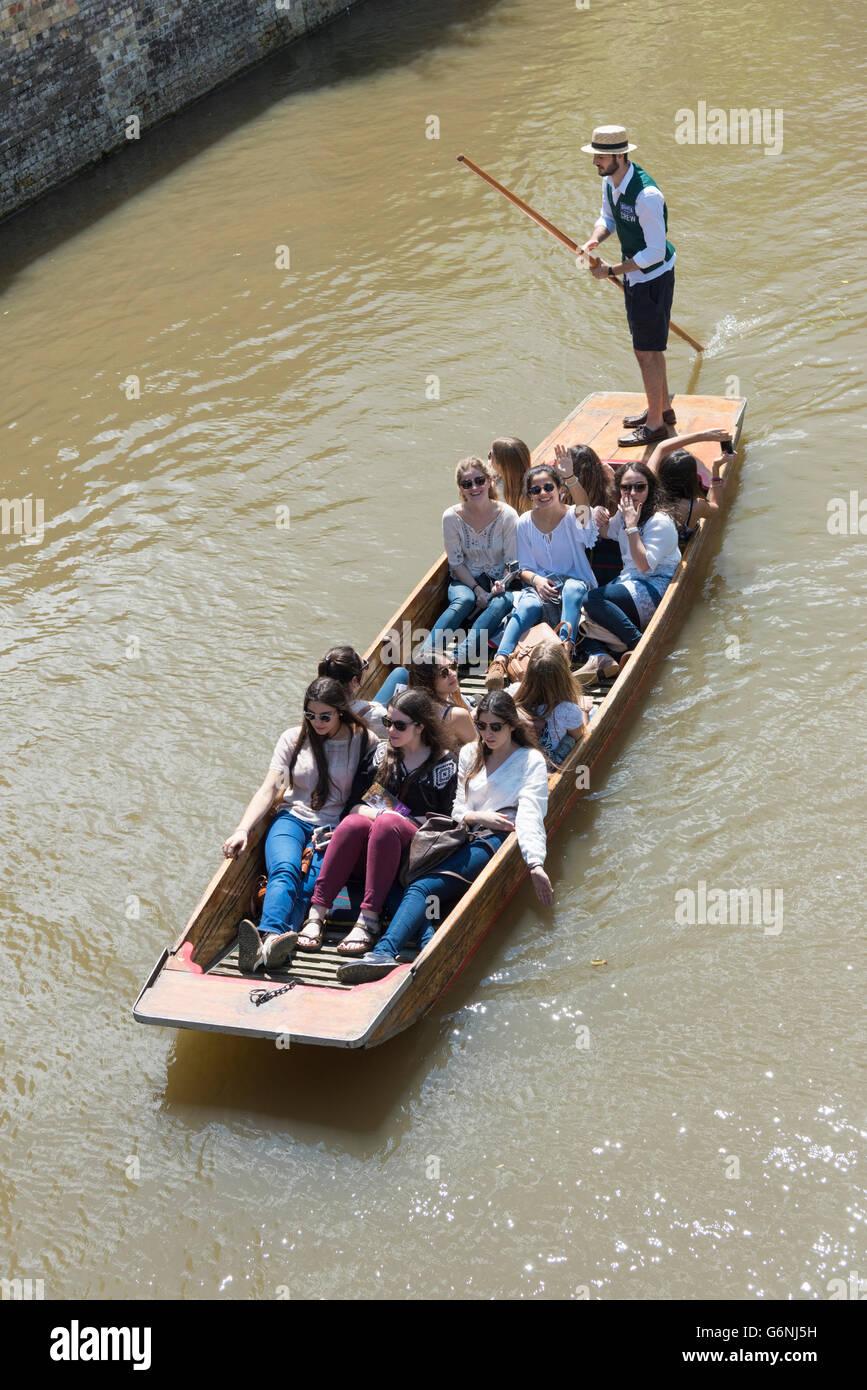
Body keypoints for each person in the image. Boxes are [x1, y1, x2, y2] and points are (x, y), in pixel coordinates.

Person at [337, 691, 552, 984]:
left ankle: (384, 951)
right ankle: (427, 939)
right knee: (402, 876)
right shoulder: (471, 753)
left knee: (422, 887)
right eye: (481, 726)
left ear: (512, 726)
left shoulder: (530, 761)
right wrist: (479, 816)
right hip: (461, 832)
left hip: (496, 838)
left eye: (496, 727)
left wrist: (535, 863)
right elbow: (458, 810)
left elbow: (530, 815)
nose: (487, 734)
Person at [221, 678, 375, 973]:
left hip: (333, 828)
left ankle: (271, 945)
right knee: (285, 870)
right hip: (292, 818)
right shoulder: (293, 739)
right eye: (310, 715)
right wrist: (243, 829)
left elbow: (379, 781)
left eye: (325, 716)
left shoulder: (362, 740)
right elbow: (269, 788)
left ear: (340, 712)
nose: (317, 722)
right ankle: (271, 935)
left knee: (310, 884)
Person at [297, 690, 458, 956]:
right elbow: (354, 806)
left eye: (400, 725)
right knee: (353, 824)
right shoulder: (380, 754)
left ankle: (369, 920)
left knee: (386, 824)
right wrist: (391, 815)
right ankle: (317, 913)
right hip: (374, 846)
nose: (390, 730)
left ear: (420, 726)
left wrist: (392, 818)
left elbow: (446, 822)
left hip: (415, 856)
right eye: (387, 722)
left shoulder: (445, 764)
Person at [577, 125, 677, 448]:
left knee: (646, 351)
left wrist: (612, 271)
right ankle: (662, 409)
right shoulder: (610, 181)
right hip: (636, 276)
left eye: (600, 157)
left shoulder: (647, 195)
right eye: (595, 156)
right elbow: (607, 219)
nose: (595, 162)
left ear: (620, 156)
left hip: (653, 278)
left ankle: (655, 425)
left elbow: (655, 252)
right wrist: (594, 240)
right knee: (649, 348)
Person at [485, 462, 598, 688]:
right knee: (528, 605)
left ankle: (564, 652)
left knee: (572, 588)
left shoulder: (573, 516)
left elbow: (585, 508)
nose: (543, 493)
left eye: (548, 487)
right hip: (540, 587)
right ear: (530, 495)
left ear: (560, 489)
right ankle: (500, 660)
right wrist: (537, 581)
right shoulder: (524, 522)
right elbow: (524, 568)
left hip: (575, 585)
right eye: (536, 490)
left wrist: (570, 476)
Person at [575, 461, 680, 679]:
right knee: (576, 608)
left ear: (650, 489)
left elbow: (644, 565)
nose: (632, 493)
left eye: (639, 487)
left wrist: (632, 526)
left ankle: (637, 643)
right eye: (626, 487)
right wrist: (596, 513)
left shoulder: (659, 521)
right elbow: (604, 532)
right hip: (629, 582)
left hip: (654, 585)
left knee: (591, 600)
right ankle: (601, 655)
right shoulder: (624, 515)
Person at [427, 456, 519, 668]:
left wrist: (501, 584)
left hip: (498, 581)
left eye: (479, 481)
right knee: (464, 600)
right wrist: (477, 590)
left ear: (489, 480)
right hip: (465, 581)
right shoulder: (451, 517)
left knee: (502, 601)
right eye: (467, 484)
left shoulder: (507, 515)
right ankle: (426, 655)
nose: (474, 488)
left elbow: (512, 563)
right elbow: (456, 563)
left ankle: (457, 657)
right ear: (461, 488)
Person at [508, 640, 593, 763]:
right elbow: (580, 737)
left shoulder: (513, 691)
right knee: (591, 711)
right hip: (546, 762)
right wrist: (584, 710)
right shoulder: (567, 709)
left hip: (519, 755)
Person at [645, 430, 732, 547]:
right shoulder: (695, 506)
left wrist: (702, 435)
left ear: (662, 471)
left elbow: (661, 447)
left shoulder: (650, 487)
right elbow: (717, 507)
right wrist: (715, 468)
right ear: (693, 478)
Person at [374, 652, 477, 745]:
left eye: (453, 666)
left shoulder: (408, 707)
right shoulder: (457, 715)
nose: (453, 674)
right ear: (428, 680)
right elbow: (476, 750)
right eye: (444, 673)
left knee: (400, 672)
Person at [317, 645, 388, 736]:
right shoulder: (377, 715)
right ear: (354, 680)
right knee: (400, 672)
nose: (366, 668)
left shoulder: (313, 714)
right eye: (365, 666)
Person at [488, 437, 532, 514]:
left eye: (490, 455)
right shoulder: (533, 484)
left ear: (501, 465)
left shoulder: (496, 487)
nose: (489, 459)